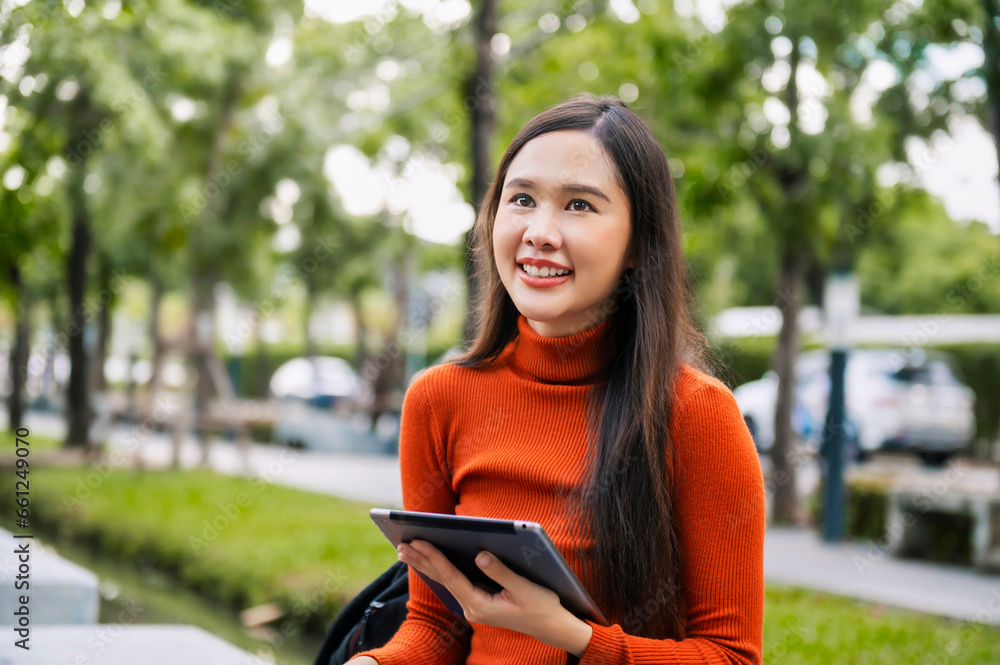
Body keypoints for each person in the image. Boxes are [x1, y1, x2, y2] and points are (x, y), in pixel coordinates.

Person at [347, 92, 765, 665]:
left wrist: (570, 634)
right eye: (521, 199)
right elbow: (434, 628)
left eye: (580, 206)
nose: (540, 232)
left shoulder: (696, 413)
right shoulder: (439, 398)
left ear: (640, 243)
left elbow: (731, 657)